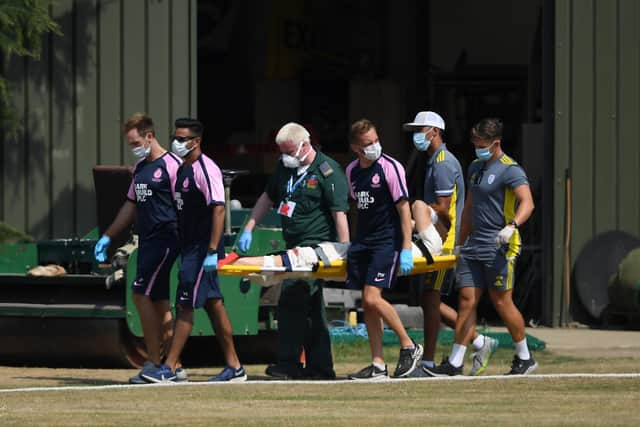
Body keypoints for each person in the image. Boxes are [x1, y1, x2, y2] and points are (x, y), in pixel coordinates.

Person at [424, 117, 537, 377]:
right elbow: (470, 208)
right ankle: (454, 362)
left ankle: (524, 356)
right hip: (473, 245)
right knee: (466, 301)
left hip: (499, 244)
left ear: (495, 143)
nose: (477, 147)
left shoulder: (511, 169)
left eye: (481, 143)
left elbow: (527, 202)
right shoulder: (475, 167)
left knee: (501, 301)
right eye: (475, 143)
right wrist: (459, 244)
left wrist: (512, 226)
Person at [237, 122, 350, 380]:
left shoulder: (327, 170)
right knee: (311, 310)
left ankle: (289, 364)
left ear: (304, 145)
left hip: (314, 249)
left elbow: (339, 212)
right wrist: (249, 227)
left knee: (290, 301)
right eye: (282, 151)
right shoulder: (285, 168)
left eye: (288, 151)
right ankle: (320, 368)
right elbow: (268, 197)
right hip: (292, 244)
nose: (284, 156)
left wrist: (345, 250)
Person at [142, 118, 246, 382]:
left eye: (183, 138)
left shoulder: (206, 168)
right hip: (189, 246)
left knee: (185, 303)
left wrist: (212, 250)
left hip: (202, 249)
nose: (177, 143)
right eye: (175, 137)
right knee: (213, 304)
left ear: (196, 141)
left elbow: (219, 207)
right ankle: (235, 367)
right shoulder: (182, 168)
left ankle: (171, 366)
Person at [403, 111, 497, 376]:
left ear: (434, 131)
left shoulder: (443, 162)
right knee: (428, 299)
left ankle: (428, 363)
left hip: (444, 243)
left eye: (419, 130)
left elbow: (443, 208)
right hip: (439, 240)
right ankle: (479, 341)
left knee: (430, 300)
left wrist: (416, 220)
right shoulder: (435, 160)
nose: (416, 136)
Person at [94, 113, 182, 383]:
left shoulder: (173, 165)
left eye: (135, 142)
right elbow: (130, 205)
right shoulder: (141, 167)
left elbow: (188, 202)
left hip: (166, 240)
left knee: (139, 294)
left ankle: (155, 363)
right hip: (147, 241)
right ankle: (174, 367)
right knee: (159, 303)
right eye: (129, 143)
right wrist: (108, 236)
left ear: (149, 136)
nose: (133, 147)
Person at [345, 118, 423, 380]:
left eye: (376, 141)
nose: (374, 147)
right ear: (356, 147)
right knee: (368, 305)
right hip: (364, 242)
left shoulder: (390, 167)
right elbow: (358, 207)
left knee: (371, 298)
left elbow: (403, 208)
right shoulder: (352, 171)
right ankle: (378, 364)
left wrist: (406, 246)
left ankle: (409, 345)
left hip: (386, 241)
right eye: (368, 144)